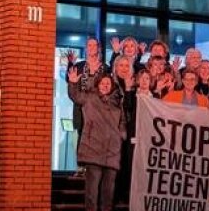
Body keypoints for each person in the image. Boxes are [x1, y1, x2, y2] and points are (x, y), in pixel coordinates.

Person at [66, 72, 125, 211]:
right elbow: (75, 96)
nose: (105, 85)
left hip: (112, 152)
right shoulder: (90, 98)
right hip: (93, 150)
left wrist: (121, 135)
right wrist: (73, 83)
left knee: (108, 194)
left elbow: (122, 122)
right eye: (103, 83)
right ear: (98, 84)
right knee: (92, 193)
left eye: (108, 83)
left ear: (112, 86)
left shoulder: (117, 103)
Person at [65, 38, 108, 174]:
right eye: (89, 45)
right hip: (81, 108)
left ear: (98, 48)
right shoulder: (79, 66)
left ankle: (94, 167)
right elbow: (70, 80)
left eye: (94, 45)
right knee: (82, 135)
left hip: (98, 109)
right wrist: (70, 64)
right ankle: (81, 167)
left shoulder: (105, 67)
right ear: (86, 48)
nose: (92, 47)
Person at [115, 69, 152, 204]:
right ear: (137, 80)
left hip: (149, 139)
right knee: (131, 166)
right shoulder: (132, 95)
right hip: (133, 137)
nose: (144, 81)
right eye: (142, 78)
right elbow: (127, 108)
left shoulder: (155, 98)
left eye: (147, 78)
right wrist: (128, 89)